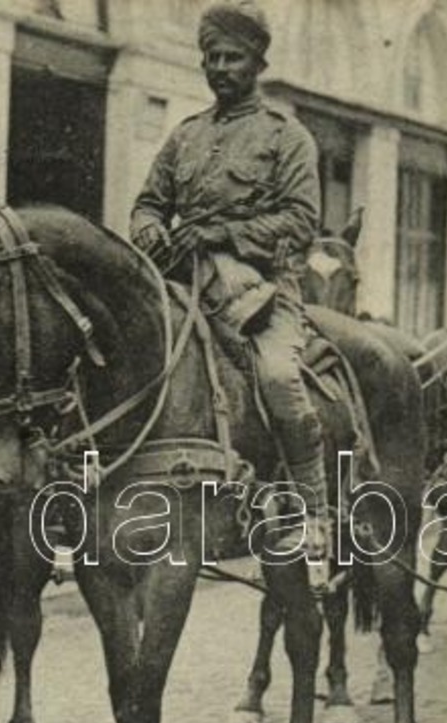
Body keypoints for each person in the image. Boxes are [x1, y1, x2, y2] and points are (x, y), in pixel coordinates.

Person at [129, 1, 329, 555]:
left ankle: (312, 509)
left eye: (233, 57)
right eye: (212, 57)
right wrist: (148, 230)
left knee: (278, 379)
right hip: (179, 283)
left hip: (259, 294)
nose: (220, 67)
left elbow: (300, 222)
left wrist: (218, 235)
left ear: (258, 63)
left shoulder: (286, 137)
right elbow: (148, 202)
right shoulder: (185, 136)